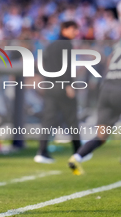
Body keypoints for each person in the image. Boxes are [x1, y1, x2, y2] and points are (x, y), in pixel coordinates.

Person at [68, 30, 121, 175]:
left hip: (106, 91)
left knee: (101, 136)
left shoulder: (116, 50)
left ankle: (77, 157)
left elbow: (107, 65)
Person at [34, 21, 81, 164]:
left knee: (48, 120)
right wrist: (69, 85)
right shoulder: (67, 45)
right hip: (62, 87)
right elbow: (67, 67)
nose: (76, 32)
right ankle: (79, 151)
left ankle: (42, 152)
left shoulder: (51, 45)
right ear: (64, 29)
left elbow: (42, 64)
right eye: (73, 29)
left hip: (49, 87)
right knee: (72, 119)